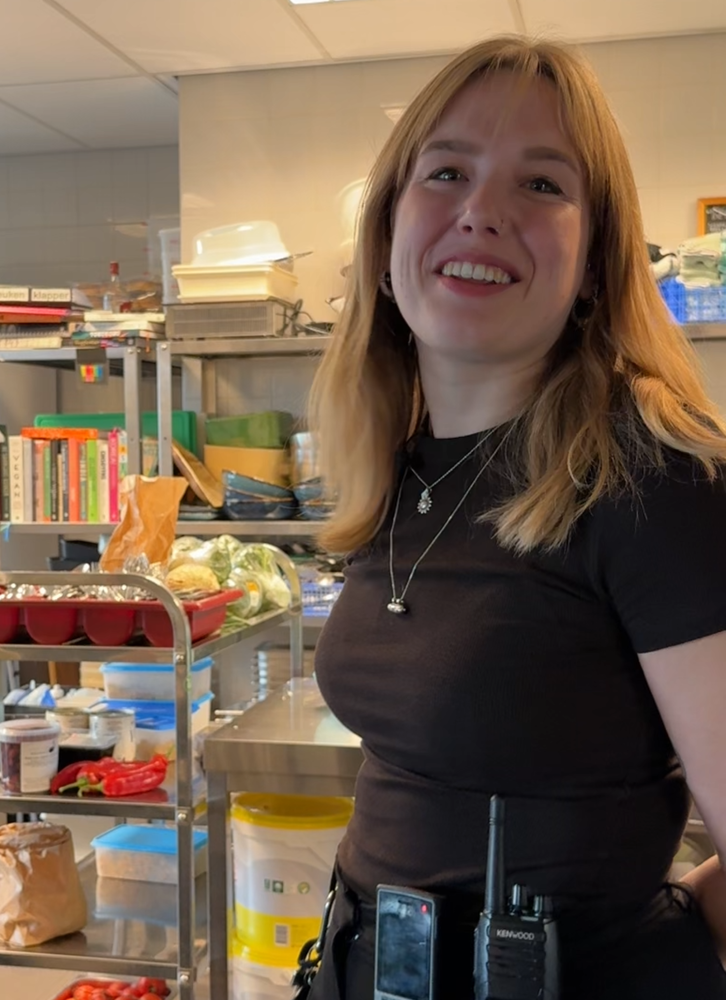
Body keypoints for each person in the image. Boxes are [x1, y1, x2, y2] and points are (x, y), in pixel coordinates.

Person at [306, 34, 726, 1000]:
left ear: (593, 264)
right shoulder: (404, 466)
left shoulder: (651, 476)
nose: (481, 212)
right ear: (385, 237)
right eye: (445, 171)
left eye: (542, 185)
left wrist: (643, 962)